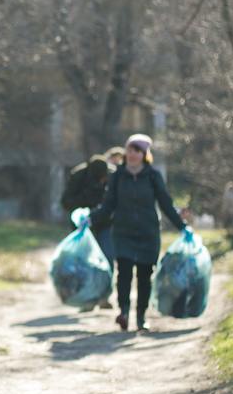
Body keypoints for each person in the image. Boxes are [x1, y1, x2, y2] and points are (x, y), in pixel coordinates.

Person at [90, 133, 191, 332]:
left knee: (145, 276)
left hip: (148, 233)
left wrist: (182, 226)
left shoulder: (153, 176)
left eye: (137, 151)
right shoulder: (117, 176)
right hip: (123, 232)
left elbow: (165, 204)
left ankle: (141, 316)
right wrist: (90, 218)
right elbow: (108, 205)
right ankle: (124, 312)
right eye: (129, 149)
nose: (132, 154)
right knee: (124, 274)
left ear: (144, 154)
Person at [61, 153, 116, 309]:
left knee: (107, 258)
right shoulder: (78, 176)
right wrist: (86, 201)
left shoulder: (112, 176)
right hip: (83, 227)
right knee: (83, 263)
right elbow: (66, 202)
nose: (102, 181)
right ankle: (87, 299)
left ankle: (104, 296)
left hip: (105, 224)